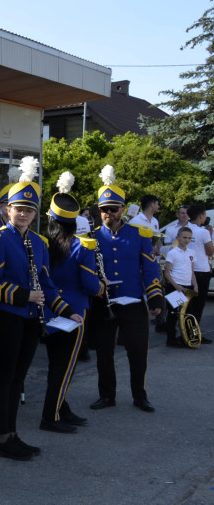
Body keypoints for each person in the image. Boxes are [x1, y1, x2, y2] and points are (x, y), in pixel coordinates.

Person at [0, 157, 82, 461]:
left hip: (28, 320)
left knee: (18, 379)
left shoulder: (38, 243)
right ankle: (1, 438)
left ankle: (12, 434)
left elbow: (48, 285)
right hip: (5, 316)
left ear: (35, 213)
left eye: (29, 210)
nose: (23, 213)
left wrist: (66, 310)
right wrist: (24, 295)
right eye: (18, 208)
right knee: (4, 377)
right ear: (7, 209)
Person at [89, 165, 163, 413]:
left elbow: (150, 268)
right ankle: (106, 395)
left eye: (114, 208)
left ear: (123, 209)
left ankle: (139, 396)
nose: (109, 213)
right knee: (104, 353)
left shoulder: (139, 234)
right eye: (104, 209)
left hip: (132, 302)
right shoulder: (91, 237)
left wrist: (155, 298)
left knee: (138, 353)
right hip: (103, 303)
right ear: (99, 211)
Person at [39, 175, 100, 434]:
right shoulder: (81, 247)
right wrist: (102, 286)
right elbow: (91, 285)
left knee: (56, 364)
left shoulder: (42, 244)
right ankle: (50, 416)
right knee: (64, 368)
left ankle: (61, 408)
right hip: (74, 313)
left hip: (50, 310)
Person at [163, 227, 198, 348]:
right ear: (178, 237)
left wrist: (195, 285)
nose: (187, 240)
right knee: (173, 314)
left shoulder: (192, 253)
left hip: (187, 287)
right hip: (175, 287)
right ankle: (171, 339)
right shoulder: (172, 253)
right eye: (184, 237)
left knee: (188, 313)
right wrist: (176, 285)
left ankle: (187, 338)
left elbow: (191, 271)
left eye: (189, 238)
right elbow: (167, 272)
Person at [185, 204, 212, 332]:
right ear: (201, 215)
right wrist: (210, 236)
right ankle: (195, 333)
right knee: (199, 303)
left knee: (189, 304)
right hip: (201, 270)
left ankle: (187, 331)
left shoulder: (184, 229)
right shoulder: (204, 232)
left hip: (186, 270)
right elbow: (210, 252)